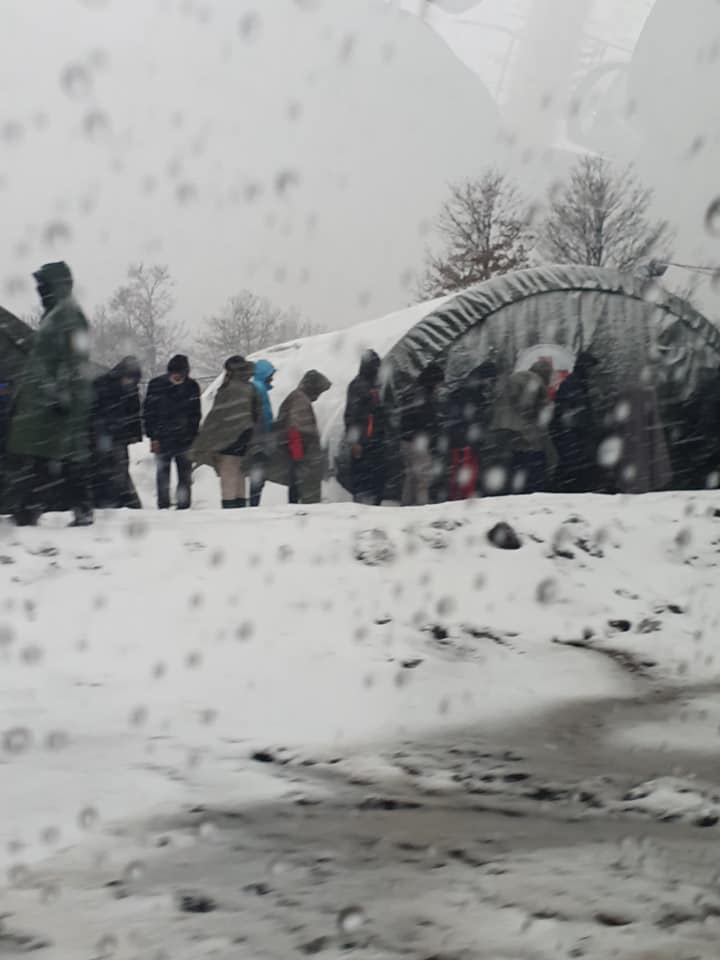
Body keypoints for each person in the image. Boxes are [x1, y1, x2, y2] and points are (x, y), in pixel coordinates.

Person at [6, 261, 94, 527]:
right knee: (47, 458)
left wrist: (61, 393)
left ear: (55, 286)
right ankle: (35, 508)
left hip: (55, 403)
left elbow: (74, 360)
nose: (39, 291)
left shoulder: (68, 315)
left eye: (42, 286)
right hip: (45, 401)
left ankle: (62, 508)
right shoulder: (56, 314)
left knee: (53, 458)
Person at [190, 355, 259, 508]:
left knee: (228, 472)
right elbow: (256, 412)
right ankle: (241, 503)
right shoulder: (250, 387)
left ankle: (229, 505)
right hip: (246, 435)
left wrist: (203, 441)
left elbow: (216, 415)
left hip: (229, 436)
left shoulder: (228, 388)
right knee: (239, 470)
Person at [143, 354, 201, 510]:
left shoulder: (192, 387)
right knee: (163, 475)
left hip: (185, 439)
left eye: (180, 374)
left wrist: (192, 435)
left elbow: (196, 414)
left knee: (185, 475)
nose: (176, 377)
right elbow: (149, 413)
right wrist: (152, 436)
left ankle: (184, 505)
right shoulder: (156, 385)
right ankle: (163, 506)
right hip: (162, 437)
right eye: (174, 373)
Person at [492, 359, 557, 494]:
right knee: (531, 464)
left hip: (501, 428)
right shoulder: (536, 380)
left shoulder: (515, 377)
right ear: (545, 374)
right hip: (522, 431)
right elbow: (528, 406)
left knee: (512, 465)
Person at [91, 356, 143, 509]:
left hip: (118, 435)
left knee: (119, 468)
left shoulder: (130, 389)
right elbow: (94, 409)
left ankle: (119, 500)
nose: (129, 382)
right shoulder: (102, 384)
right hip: (102, 434)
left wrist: (135, 433)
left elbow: (134, 412)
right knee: (104, 468)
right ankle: (108, 500)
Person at [276, 370, 331, 505]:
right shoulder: (300, 401)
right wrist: (299, 457)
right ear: (313, 388)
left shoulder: (298, 397)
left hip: (298, 455)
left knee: (296, 490)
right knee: (303, 493)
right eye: (319, 391)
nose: (318, 396)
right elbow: (295, 430)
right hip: (302, 457)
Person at [445, 360, 498, 500]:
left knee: (458, 473)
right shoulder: (475, 394)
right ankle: (462, 500)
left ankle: (456, 498)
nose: (490, 383)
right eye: (491, 380)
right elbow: (474, 418)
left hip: (458, 439)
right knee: (467, 473)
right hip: (465, 441)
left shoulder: (465, 389)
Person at [550, 351, 599, 493]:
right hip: (571, 435)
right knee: (571, 469)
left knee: (571, 469)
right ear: (585, 367)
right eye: (591, 368)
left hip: (573, 435)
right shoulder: (574, 383)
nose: (593, 372)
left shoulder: (577, 382)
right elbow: (572, 412)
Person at [399, 362, 444, 507]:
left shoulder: (412, 391)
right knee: (423, 479)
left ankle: (406, 506)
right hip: (418, 443)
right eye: (438, 383)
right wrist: (433, 438)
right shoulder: (423, 396)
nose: (439, 387)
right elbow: (426, 422)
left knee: (411, 476)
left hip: (406, 440)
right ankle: (421, 508)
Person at [344, 349, 386, 505]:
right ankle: (364, 509)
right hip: (365, 441)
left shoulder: (372, 386)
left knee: (374, 480)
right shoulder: (359, 386)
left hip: (374, 440)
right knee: (364, 482)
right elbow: (351, 415)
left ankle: (372, 506)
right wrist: (355, 442)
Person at [247, 359, 276, 507]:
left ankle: (254, 502)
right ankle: (254, 504)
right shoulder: (259, 388)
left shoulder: (258, 387)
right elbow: (263, 417)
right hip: (258, 439)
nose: (272, 377)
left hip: (257, 439)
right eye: (270, 374)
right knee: (257, 476)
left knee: (257, 475)